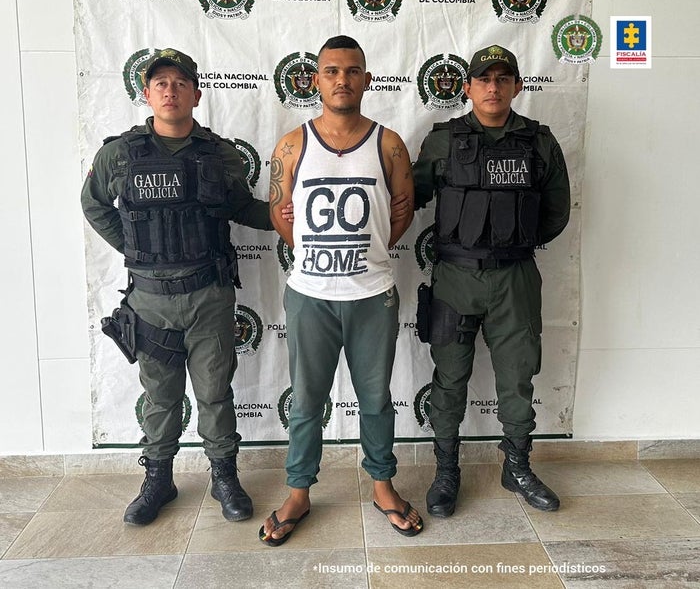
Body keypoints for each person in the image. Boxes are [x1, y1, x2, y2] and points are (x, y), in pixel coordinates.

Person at [81, 48, 282, 526]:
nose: (170, 90)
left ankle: (224, 477)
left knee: (215, 392)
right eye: (161, 83)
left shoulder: (220, 154)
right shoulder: (119, 154)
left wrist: (284, 216)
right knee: (161, 396)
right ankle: (158, 479)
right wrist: (136, 249)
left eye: (180, 83)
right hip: (150, 300)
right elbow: (94, 206)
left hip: (209, 294)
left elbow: (242, 208)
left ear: (196, 94)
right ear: (146, 93)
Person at [261, 35, 422, 545]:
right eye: (331, 71)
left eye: (352, 71)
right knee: (307, 401)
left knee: (375, 399)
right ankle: (298, 492)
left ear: (367, 80)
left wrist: (366, 252)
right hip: (310, 294)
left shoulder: (388, 144)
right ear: (316, 80)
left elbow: (401, 213)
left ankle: (383, 486)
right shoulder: (292, 144)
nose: (342, 80)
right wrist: (314, 252)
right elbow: (279, 212)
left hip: (372, 294)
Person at [413, 45, 570, 517]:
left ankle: (517, 467)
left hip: (514, 279)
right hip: (455, 279)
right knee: (449, 379)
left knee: (517, 378)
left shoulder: (540, 142)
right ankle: (446, 471)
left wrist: (511, 242)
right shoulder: (442, 141)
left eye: (503, 78)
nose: (493, 87)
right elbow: (410, 197)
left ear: (517, 86)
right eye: (483, 79)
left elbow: (556, 212)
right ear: (467, 88)